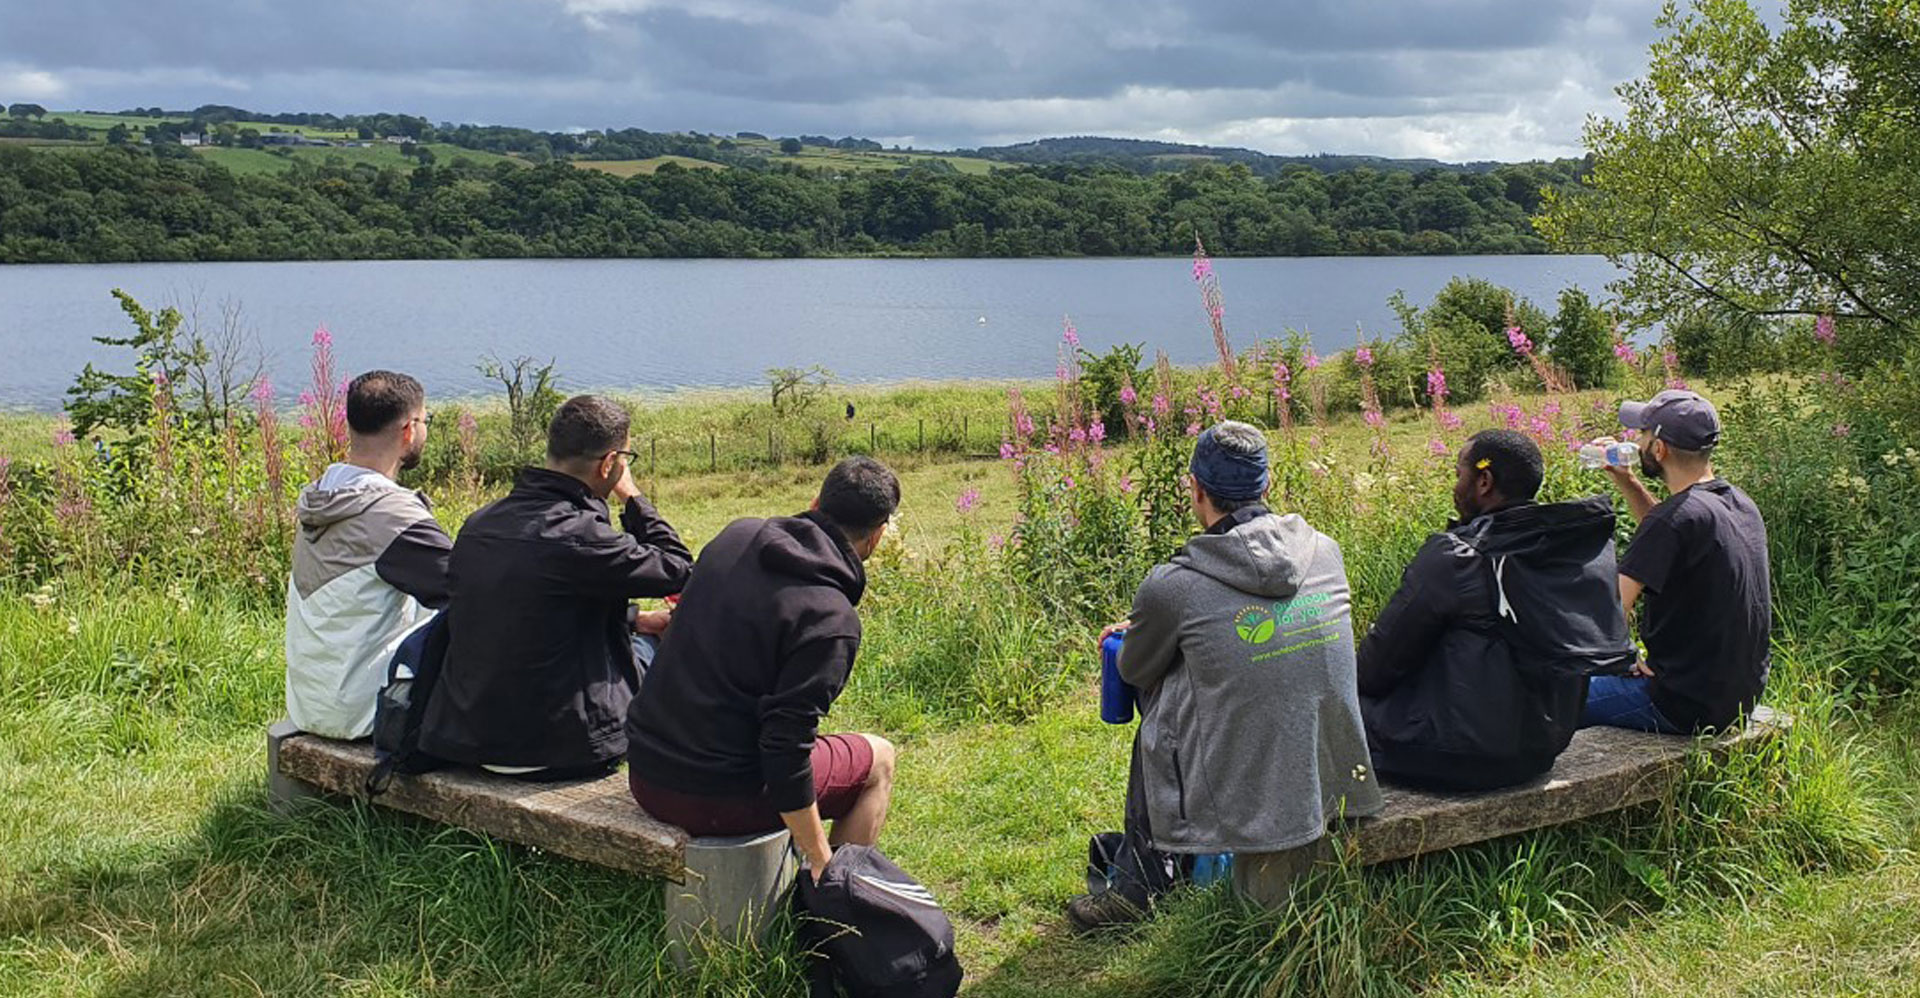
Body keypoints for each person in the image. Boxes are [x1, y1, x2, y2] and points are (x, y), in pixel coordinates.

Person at [1067, 421, 1382, 931]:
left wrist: (1141, 633)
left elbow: (1135, 669)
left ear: (1195, 488)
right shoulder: (1325, 550)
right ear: (1267, 483)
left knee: (1163, 708)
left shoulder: (1174, 585)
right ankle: (1145, 874)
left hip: (1242, 780)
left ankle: (1136, 890)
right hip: (1335, 765)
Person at [626, 457, 901, 881]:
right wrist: (818, 854)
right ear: (878, 536)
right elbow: (784, 750)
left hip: (646, 771)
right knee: (879, 758)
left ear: (814, 502)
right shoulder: (832, 619)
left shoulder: (735, 536)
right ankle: (835, 899)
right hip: (715, 798)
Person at [420, 394, 693, 780]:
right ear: (610, 464)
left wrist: (635, 618)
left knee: (642, 636)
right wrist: (631, 495)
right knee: (670, 644)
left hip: (470, 737)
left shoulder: (479, 524)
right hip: (565, 746)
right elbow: (679, 567)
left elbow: (529, 607)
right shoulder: (585, 537)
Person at [1356, 430, 1636, 791]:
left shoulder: (1458, 556)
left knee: (1330, 702)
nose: (1456, 486)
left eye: (1460, 474)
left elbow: (1374, 669)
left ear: (1484, 481)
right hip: (1541, 750)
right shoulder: (1570, 548)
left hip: (1457, 757)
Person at [1582, 390, 1771, 733]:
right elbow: (1669, 532)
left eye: (1642, 434)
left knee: (1552, 696)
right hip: (1739, 697)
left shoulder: (1673, 521)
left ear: (1659, 449)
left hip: (1678, 703)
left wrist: (1623, 657)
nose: (1636, 442)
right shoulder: (1738, 504)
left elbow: (1607, 616)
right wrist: (1628, 481)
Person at [286, 370, 450, 739]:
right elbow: (468, 591)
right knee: (479, 614)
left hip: (310, 703)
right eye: (426, 421)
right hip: (367, 713)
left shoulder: (322, 496)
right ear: (409, 429)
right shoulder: (392, 517)